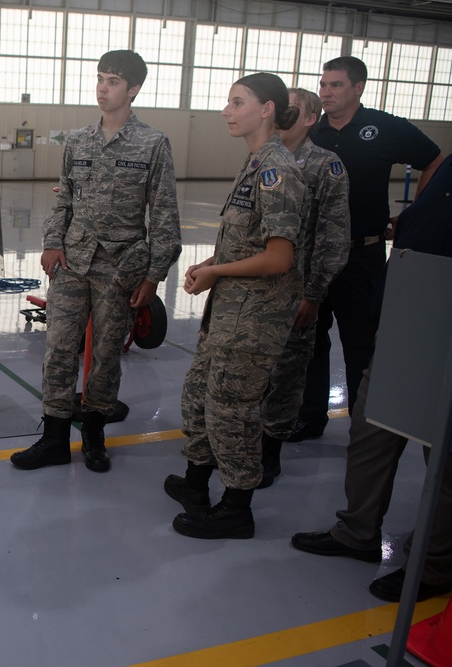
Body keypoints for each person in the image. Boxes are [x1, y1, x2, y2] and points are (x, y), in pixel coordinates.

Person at [8, 50, 181, 473]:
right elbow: (64, 198)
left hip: (122, 268)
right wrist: (52, 243)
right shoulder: (79, 141)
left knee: (105, 354)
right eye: (100, 78)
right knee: (59, 349)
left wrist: (155, 276)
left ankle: (95, 436)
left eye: (114, 81)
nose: (103, 88)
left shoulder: (152, 144)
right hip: (72, 261)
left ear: (134, 89)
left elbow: (163, 215)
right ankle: (52, 437)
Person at [291, 153, 452, 603]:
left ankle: (434, 564)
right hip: (405, 325)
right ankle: (357, 531)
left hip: (443, 333)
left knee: (445, 460)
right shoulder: (447, 167)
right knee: (370, 432)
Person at [164, 73, 307, 539]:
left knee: (233, 408)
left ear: (267, 109)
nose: (227, 110)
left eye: (237, 102)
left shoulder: (277, 171)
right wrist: (210, 263)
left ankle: (236, 508)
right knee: (200, 395)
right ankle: (196, 483)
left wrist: (216, 273)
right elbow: (246, 241)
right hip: (229, 313)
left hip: (255, 318)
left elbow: (279, 257)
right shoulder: (255, 164)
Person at [288, 56, 443, 443]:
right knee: (311, 339)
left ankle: (364, 425)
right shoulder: (311, 129)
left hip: (361, 254)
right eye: (323, 85)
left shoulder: (384, 127)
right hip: (313, 257)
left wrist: (414, 213)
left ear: (358, 88)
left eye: (336, 85)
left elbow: (435, 159)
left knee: (360, 341)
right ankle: (310, 417)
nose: (326, 92)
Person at [257, 88, 350, 488]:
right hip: (259, 290)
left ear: (310, 118)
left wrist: (313, 296)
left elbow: (333, 239)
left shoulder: (325, 167)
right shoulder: (263, 158)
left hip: (296, 292)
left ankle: (268, 456)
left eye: (294, 108)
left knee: (287, 376)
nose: (285, 112)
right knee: (255, 372)